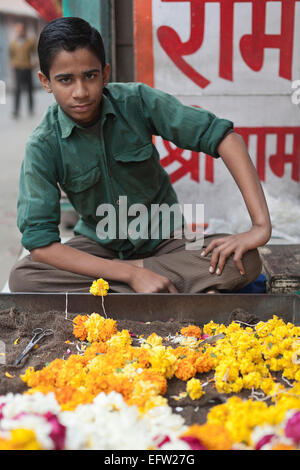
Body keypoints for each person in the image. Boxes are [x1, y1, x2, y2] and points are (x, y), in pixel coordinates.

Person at [9, 17, 272, 294]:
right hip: (99, 246)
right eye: (65, 80)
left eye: (90, 76)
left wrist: (260, 227)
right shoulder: (43, 144)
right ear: (45, 81)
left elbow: (225, 138)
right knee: (24, 278)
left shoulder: (136, 101)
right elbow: (40, 243)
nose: (81, 92)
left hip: (167, 239)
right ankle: (154, 283)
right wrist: (129, 273)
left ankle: (122, 290)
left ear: (105, 73)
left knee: (245, 261)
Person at [9, 22, 36, 118]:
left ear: (24, 31)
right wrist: (12, 63)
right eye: (18, 30)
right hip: (18, 68)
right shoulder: (13, 43)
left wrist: (35, 63)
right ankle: (16, 111)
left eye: (21, 30)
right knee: (17, 90)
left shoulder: (30, 42)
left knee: (29, 89)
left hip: (27, 68)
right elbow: (10, 55)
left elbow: (35, 53)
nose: (19, 32)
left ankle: (31, 108)